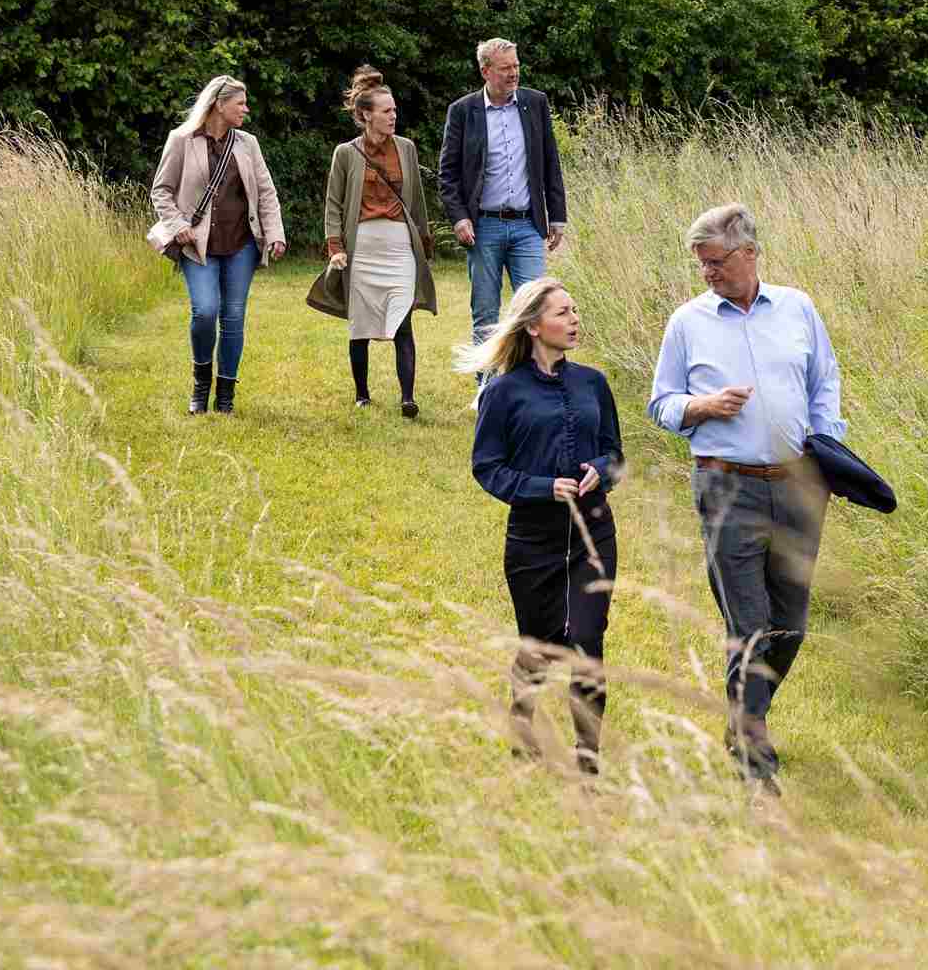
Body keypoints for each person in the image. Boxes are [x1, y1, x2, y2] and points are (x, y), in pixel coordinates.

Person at [646, 204, 844, 789]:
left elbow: (824, 382)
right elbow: (661, 403)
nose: (707, 273)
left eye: (715, 262)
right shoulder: (688, 322)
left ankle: (742, 716)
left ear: (749, 254)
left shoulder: (798, 308)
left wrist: (827, 453)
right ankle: (755, 756)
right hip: (726, 485)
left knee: (790, 625)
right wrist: (701, 407)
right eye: (701, 264)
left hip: (799, 485)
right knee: (751, 624)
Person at [460, 277, 622, 775]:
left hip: (593, 535)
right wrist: (540, 487)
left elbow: (616, 453)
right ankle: (523, 720)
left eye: (575, 311)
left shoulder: (593, 382)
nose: (575, 320)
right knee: (539, 645)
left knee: (587, 643)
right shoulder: (503, 392)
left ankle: (588, 757)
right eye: (563, 313)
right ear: (534, 326)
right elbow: (487, 466)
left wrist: (602, 470)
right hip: (533, 541)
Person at [149, 74, 287, 414]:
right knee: (205, 311)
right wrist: (178, 224)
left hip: (241, 243)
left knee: (234, 316)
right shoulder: (181, 139)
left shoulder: (247, 143)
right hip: (198, 245)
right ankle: (200, 384)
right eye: (240, 103)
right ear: (219, 105)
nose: (246, 109)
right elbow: (161, 191)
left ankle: (225, 395)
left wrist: (275, 233)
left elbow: (266, 192)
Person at [315, 66, 437, 416]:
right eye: (387, 111)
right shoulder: (346, 153)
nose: (393, 116)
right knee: (361, 323)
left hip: (399, 243)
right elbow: (334, 203)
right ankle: (362, 393)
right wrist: (335, 247)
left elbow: (416, 202)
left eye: (395, 110)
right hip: (363, 246)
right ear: (366, 115)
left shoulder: (407, 149)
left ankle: (408, 397)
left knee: (403, 318)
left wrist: (423, 245)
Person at [438, 38, 567, 358]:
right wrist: (459, 217)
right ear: (486, 71)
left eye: (516, 66)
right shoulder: (463, 111)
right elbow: (448, 173)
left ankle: (540, 386)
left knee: (539, 309)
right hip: (484, 227)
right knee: (485, 315)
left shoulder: (535, 103)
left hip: (527, 225)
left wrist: (558, 215)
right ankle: (487, 392)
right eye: (505, 68)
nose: (513, 74)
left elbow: (550, 161)